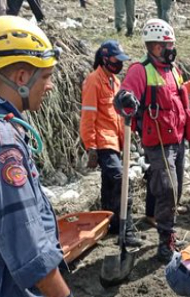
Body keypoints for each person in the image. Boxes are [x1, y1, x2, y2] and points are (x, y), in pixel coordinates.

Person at [0, 15, 96, 297]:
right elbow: (28, 247)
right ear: (22, 76)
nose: (50, 85)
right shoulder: (1, 143)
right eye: (47, 76)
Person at [116, 18, 190, 263]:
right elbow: (126, 93)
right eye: (169, 44)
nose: (172, 48)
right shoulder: (140, 70)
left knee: (176, 191)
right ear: (155, 47)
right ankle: (165, 242)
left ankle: (163, 226)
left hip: (177, 140)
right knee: (168, 189)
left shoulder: (172, 69)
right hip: (158, 144)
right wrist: (125, 100)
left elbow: (178, 100)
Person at [80, 40, 143, 247]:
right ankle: (128, 228)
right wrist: (90, 146)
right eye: (117, 60)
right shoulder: (93, 80)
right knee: (121, 179)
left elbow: (119, 116)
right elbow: (88, 115)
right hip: (102, 141)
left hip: (116, 141)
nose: (120, 64)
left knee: (109, 184)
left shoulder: (116, 82)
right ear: (105, 59)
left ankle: (111, 224)